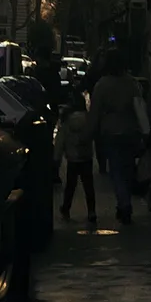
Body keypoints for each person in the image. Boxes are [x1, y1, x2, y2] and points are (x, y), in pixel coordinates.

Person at [86, 47, 148, 225]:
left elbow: (95, 110)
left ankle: (124, 203)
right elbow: (139, 107)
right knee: (127, 168)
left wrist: (90, 131)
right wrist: (145, 131)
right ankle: (125, 201)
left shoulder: (102, 85)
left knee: (116, 170)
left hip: (110, 131)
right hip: (130, 130)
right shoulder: (131, 83)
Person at [54, 88, 97, 227]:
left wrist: (57, 158)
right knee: (88, 185)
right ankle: (91, 211)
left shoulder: (66, 121)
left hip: (72, 157)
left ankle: (66, 208)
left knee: (70, 185)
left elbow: (60, 141)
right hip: (86, 156)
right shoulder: (88, 119)